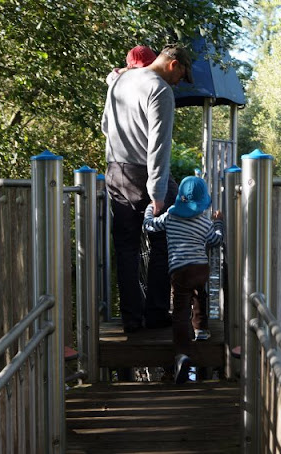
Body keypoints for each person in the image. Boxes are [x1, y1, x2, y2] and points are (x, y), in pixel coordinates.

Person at [102, 44, 194, 334]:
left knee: (126, 247)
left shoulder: (120, 80)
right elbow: (159, 147)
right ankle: (155, 312)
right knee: (164, 241)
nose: (180, 82)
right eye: (183, 74)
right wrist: (156, 193)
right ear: (173, 64)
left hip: (117, 171)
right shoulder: (161, 91)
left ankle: (131, 319)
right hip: (147, 173)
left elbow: (106, 125)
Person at [143, 176, 224, 384]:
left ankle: (182, 351)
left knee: (180, 310)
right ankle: (201, 330)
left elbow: (149, 227)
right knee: (200, 295)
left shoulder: (170, 216)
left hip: (179, 269)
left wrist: (149, 210)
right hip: (201, 268)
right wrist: (218, 223)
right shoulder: (204, 221)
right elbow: (215, 240)